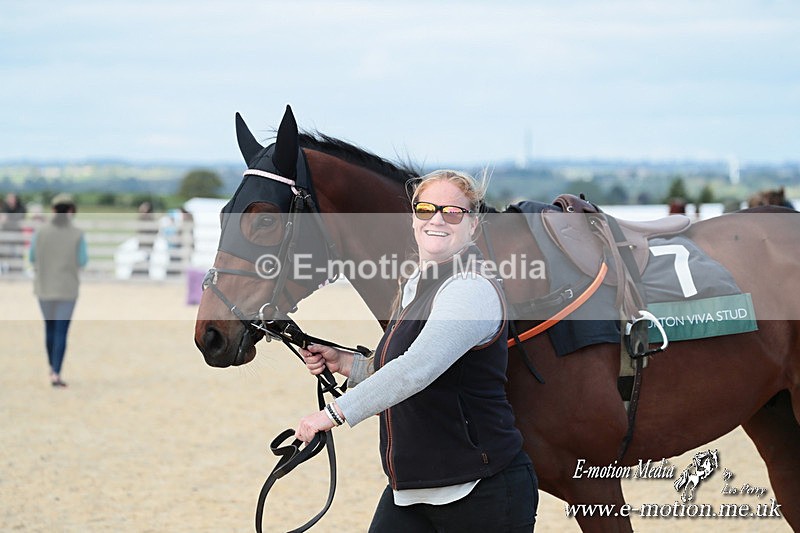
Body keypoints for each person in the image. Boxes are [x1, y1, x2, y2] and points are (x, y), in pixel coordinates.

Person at [294, 170, 538, 532]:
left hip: (482, 491)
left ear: (472, 225)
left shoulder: (470, 288)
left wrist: (332, 414)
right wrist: (345, 362)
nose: (437, 219)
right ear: (413, 219)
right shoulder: (416, 284)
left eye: (452, 212)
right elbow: (402, 366)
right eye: (426, 209)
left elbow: (418, 368)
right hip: (411, 493)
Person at [29, 194, 88, 387]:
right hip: (67, 289)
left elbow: (32, 257)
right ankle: (56, 372)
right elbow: (83, 261)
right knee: (61, 331)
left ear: (53, 210)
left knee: (50, 328)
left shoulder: (40, 232)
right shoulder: (77, 234)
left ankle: (51, 365)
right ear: (71, 210)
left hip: (44, 287)